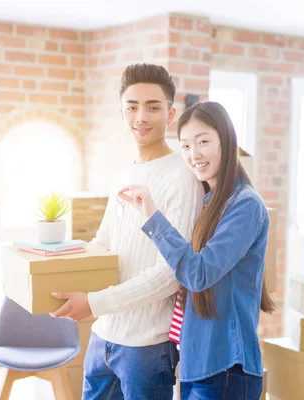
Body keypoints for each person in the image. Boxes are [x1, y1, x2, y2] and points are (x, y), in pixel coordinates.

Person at [49, 63, 204, 399]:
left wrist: (94, 302)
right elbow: (103, 244)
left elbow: (170, 274)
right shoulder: (121, 174)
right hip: (102, 336)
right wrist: (58, 273)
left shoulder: (183, 177)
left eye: (153, 107)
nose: (141, 116)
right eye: (132, 107)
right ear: (122, 113)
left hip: (147, 346)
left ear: (171, 113)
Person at [118, 101, 276, 399]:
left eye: (203, 142)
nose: (194, 155)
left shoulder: (245, 205)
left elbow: (199, 273)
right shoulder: (209, 201)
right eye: (186, 146)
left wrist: (154, 218)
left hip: (226, 367)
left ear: (227, 142)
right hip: (198, 365)